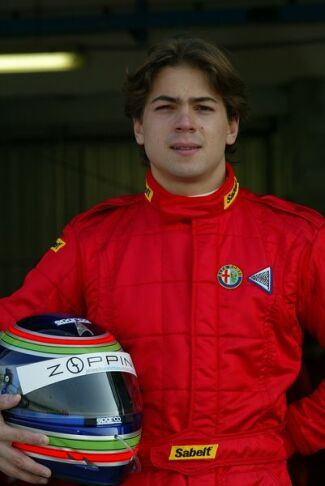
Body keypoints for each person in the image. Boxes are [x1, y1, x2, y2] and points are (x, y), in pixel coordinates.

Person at [0, 36, 324, 486]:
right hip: (133, 474)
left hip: (253, 473)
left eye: (204, 107)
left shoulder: (296, 238)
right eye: (166, 107)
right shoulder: (93, 241)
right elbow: (7, 331)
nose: (185, 123)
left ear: (232, 126)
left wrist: (295, 434)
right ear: (139, 127)